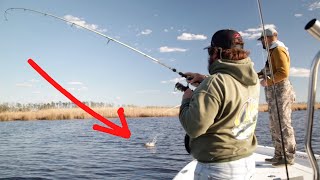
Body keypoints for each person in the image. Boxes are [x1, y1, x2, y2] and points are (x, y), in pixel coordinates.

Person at [179, 29, 260, 180]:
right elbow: (231, 90)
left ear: (216, 52)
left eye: (210, 51)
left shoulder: (214, 83)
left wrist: (187, 100)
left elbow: (194, 127)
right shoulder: (252, 80)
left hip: (218, 169)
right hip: (246, 162)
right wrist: (204, 79)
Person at [257, 27, 296, 167]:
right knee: (275, 124)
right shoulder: (272, 51)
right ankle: (279, 155)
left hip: (281, 93)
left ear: (267, 38)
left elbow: (283, 73)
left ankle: (289, 157)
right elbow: (267, 70)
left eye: (261, 39)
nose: (261, 42)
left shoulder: (278, 49)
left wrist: (267, 81)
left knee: (283, 124)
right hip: (274, 94)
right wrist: (255, 76)